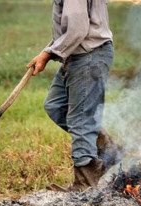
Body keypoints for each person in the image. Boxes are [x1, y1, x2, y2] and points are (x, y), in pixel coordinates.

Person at [26, 0, 122, 192]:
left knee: (81, 120)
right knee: (55, 105)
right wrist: (48, 51)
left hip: (88, 55)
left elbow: (77, 29)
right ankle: (108, 150)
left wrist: (48, 54)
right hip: (77, 54)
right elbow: (72, 28)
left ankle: (85, 184)